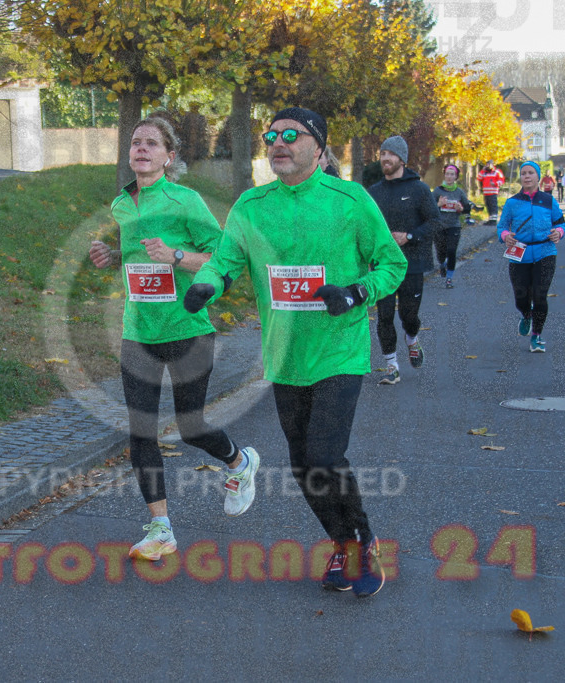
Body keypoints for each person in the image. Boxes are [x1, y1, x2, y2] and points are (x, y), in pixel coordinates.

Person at [184, 107, 406, 598]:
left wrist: (354, 292)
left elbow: (393, 263)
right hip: (285, 356)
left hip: (339, 351)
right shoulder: (251, 205)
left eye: (291, 135)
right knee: (304, 464)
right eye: (271, 135)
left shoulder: (348, 199)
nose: (278, 143)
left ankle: (363, 543)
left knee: (326, 454)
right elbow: (225, 262)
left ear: (319, 148)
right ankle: (340, 542)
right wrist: (206, 287)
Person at [88, 115, 259, 562]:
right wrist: (112, 256)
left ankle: (240, 462)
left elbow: (224, 257)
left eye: (151, 143)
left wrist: (177, 256)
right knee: (140, 431)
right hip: (138, 330)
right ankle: (160, 528)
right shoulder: (122, 205)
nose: (140, 149)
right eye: (135, 142)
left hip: (187, 328)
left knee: (191, 426)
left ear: (169, 156)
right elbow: (137, 253)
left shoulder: (186, 200)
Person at [367, 135, 443, 385]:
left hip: (413, 263)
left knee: (409, 316)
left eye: (390, 154)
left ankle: (412, 338)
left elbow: (435, 221)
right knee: (384, 316)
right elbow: (366, 228)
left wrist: (409, 236)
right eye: (382, 154)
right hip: (383, 267)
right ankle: (391, 366)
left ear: (401, 159)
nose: (385, 158)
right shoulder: (374, 192)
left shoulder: (419, 189)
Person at [498, 161, 565, 353]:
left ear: (538, 177)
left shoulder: (548, 200)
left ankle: (536, 336)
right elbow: (502, 226)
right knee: (521, 298)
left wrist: (559, 233)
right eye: (524, 173)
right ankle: (526, 315)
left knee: (540, 296)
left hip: (545, 252)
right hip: (519, 254)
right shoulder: (512, 202)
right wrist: (505, 236)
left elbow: (561, 223)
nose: (527, 176)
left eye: (530, 173)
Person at [431, 163, 473, 289]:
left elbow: (467, 208)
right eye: (447, 174)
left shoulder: (459, 192)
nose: (449, 177)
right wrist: (439, 204)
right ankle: (442, 264)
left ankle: (449, 279)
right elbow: (429, 208)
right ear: (444, 175)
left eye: (452, 174)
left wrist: (461, 208)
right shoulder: (438, 191)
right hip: (439, 226)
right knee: (441, 252)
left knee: (451, 251)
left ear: (456, 177)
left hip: (454, 226)